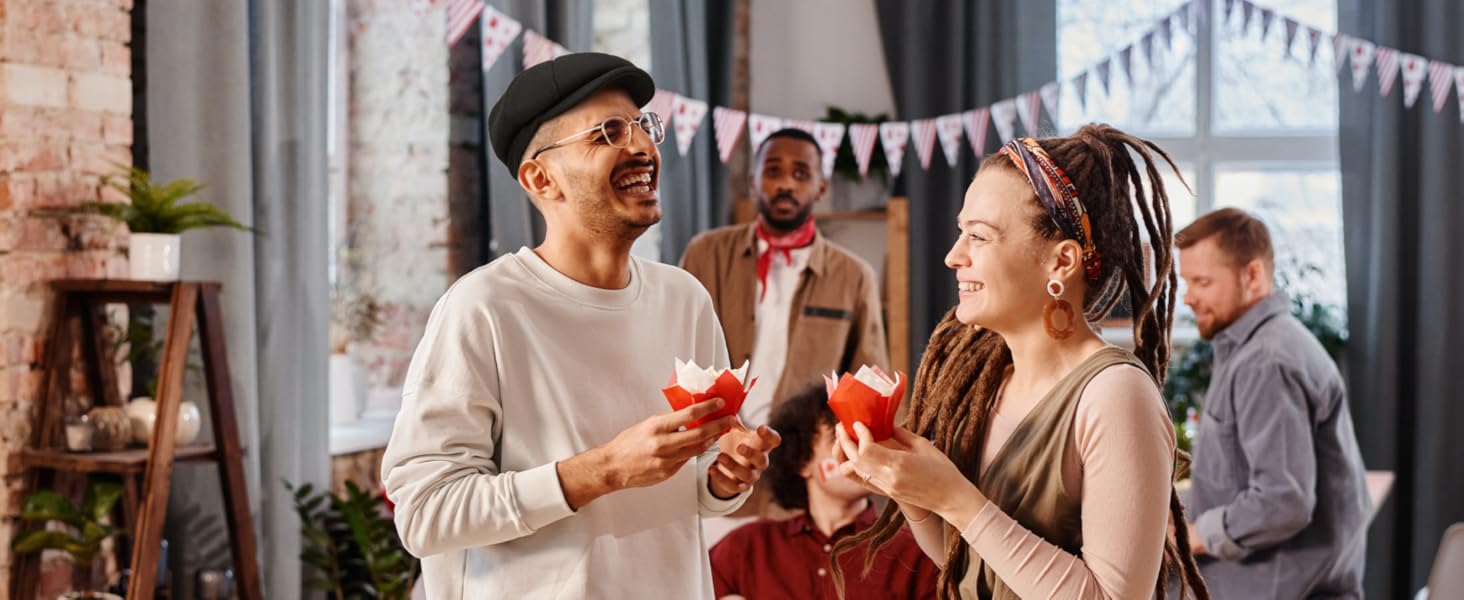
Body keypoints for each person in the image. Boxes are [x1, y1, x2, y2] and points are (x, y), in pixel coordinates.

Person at [380, 52, 781, 600]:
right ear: (541, 178)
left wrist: (722, 478)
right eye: (608, 133)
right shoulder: (484, 308)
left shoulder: (684, 298)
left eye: (643, 125)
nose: (641, 146)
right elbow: (426, 513)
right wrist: (605, 469)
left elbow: (704, 472)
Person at [830, 125, 1210, 599]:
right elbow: (970, 564)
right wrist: (911, 488)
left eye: (980, 237)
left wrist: (956, 497)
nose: (954, 256)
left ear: (1061, 262)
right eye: (960, 233)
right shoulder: (991, 383)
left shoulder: (1115, 395)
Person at [1175, 207, 1369, 598]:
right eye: (1187, 282)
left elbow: (1284, 500)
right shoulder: (1254, 347)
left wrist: (1189, 537)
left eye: (1202, 282)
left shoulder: (1266, 363)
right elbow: (1233, 481)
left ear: (1252, 275)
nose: (1188, 297)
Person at [680, 127, 889, 430]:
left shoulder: (854, 277)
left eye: (801, 174)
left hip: (800, 458)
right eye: (773, 171)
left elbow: (866, 383)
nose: (786, 184)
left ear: (821, 187)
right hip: (713, 445)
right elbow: (676, 350)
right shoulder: (704, 254)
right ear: (754, 183)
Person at [709, 385, 939, 599]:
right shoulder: (747, 548)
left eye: (865, 438)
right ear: (802, 462)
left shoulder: (916, 551)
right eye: (841, 439)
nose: (859, 451)